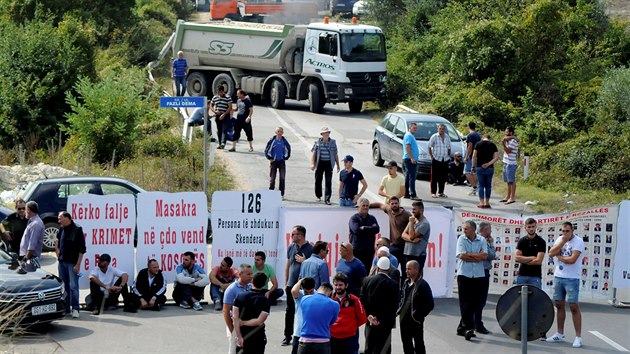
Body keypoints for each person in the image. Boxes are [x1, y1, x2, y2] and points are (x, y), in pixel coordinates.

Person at [546, 222, 585, 348]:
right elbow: (551, 253)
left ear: (572, 230)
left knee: (573, 306)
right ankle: (560, 333)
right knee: (559, 304)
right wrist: (562, 242)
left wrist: (560, 257)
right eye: (563, 231)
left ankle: (578, 337)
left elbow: (573, 260)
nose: (565, 233)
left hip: (572, 278)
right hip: (559, 276)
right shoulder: (560, 239)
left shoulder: (578, 241)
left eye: (567, 231)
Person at [455, 220, 488, 340]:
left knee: (475, 303)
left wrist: (471, 255)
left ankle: (461, 328)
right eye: (463, 228)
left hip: (478, 275)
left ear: (473, 230)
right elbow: (462, 256)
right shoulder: (461, 239)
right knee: (465, 302)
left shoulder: (482, 240)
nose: (464, 231)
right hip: (464, 275)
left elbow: (484, 256)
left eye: (466, 229)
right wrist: (476, 256)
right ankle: (468, 328)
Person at [360, 257, 400, 354]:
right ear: (389, 269)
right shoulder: (393, 285)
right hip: (385, 323)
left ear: (377, 268)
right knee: (384, 348)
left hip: (370, 321)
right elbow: (394, 305)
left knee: (369, 346)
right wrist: (381, 319)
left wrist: (369, 316)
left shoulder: (367, 280)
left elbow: (362, 300)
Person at [283, 225, 314, 346]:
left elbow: (312, 266)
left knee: (305, 310)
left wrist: (304, 261)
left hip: (304, 285)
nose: (291, 237)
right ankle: (287, 336)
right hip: (292, 284)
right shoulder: (291, 247)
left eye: (293, 234)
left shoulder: (310, 248)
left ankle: (304, 334)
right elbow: (288, 264)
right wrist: (286, 282)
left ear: (300, 235)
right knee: (289, 310)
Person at [398, 260, 434, 354]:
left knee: (419, 343)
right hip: (404, 319)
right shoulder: (406, 282)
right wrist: (399, 310)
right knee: (406, 342)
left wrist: (419, 314)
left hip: (416, 320)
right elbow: (401, 298)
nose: (406, 271)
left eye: (409, 269)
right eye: (406, 269)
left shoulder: (423, 285)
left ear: (416, 270)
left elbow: (430, 304)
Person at [55, 211, 86, 318]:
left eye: (60, 218)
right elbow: (57, 241)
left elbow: (82, 250)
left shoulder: (77, 229)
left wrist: (78, 265)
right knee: (64, 286)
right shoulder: (61, 228)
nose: (59, 221)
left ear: (67, 218)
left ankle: (75, 308)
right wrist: (57, 253)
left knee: (73, 286)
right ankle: (66, 308)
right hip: (62, 262)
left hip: (72, 263)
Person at [233, 272, 271, 354]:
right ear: (264, 284)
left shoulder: (240, 296)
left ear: (252, 281)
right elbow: (259, 321)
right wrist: (244, 323)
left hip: (243, 336)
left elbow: (235, 318)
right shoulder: (265, 301)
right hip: (258, 337)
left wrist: (239, 336)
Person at [370, 196, 410, 274]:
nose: (394, 205)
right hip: (394, 246)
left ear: (399, 203)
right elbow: (379, 204)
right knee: (391, 270)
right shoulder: (389, 210)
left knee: (405, 271)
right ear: (389, 204)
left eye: (396, 203)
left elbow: (415, 223)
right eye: (392, 204)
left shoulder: (406, 214)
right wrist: (367, 205)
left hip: (405, 246)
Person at [297, 283, 339, 354]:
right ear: (330, 293)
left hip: (305, 341)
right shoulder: (335, 304)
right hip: (323, 342)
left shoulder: (304, 299)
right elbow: (332, 322)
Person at [331, 272, 367, 354]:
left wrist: (350, 326)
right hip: (333, 338)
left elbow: (362, 318)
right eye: (336, 285)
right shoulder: (329, 300)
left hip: (350, 339)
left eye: (340, 285)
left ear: (346, 285)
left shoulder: (354, 300)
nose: (338, 287)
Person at [224, 264, 254, 354]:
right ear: (240, 274)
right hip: (235, 325)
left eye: (251, 274)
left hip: (248, 325)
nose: (251, 276)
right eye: (248, 274)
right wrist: (232, 329)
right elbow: (225, 311)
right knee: (234, 351)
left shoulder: (250, 287)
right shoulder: (231, 289)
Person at [474, 221, 496, 334]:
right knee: (479, 300)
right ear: (485, 230)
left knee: (478, 300)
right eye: (490, 229)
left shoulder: (480, 240)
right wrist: (491, 244)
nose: (491, 232)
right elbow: (491, 255)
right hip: (481, 272)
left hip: (482, 272)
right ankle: (477, 323)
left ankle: (474, 322)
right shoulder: (482, 241)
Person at [349, 198, 380, 272]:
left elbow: (376, 229)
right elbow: (356, 230)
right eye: (363, 205)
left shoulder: (372, 218)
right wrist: (370, 228)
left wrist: (364, 228)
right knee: (356, 272)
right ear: (358, 206)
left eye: (367, 206)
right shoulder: (354, 218)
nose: (366, 207)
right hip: (357, 251)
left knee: (367, 272)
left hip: (369, 251)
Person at [311, 126, 340, 205]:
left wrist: (338, 165)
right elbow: (314, 153)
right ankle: (318, 195)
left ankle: (327, 199)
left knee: (328, 181)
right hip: (320, 163)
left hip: (328, 163)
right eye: (325, 133)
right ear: (322, 134)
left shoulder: (333, 142)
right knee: (318, 180)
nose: (327, 134)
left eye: (328, 133)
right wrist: (313, 164)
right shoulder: (317, 142)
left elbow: (335, 154)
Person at [515, 218, 546, 288]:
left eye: (533, 226)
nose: (531, 229)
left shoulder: (541, 242)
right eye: (529, 227)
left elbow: (538, 261)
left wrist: (523, 260)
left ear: (536, 227)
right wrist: (532, 258)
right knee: (520, 298)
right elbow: (517, 258)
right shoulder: (521, 241)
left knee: (535, 298)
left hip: (535, 276)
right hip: (522, 275)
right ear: (525, 228)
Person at [402, 201, 430, 275]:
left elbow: (412, 236)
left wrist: (411, 223)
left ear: (421, 210)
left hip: (418, 255)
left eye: (415, 209)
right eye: (412, 209)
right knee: (407, 276)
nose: (412, 211)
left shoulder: (424, 224)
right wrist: (411, 241)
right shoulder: (413, 220)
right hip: (408, 253)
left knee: (417, 276)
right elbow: (403, 235)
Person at [471, 134, 499, 209]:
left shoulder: (478, 144)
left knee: (481, 185)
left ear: (482, 138)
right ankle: (487, 202)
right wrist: (489, 163)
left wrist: (473, 166)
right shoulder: (493, 145)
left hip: (480, 167)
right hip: (490, 168)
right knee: (488, 186)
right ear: (489, 138)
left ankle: (481, 202)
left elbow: (474, 156)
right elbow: (496, 157)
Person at [290, 277, 316, 354]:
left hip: (313, 333)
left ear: (313, 288)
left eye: (310, 292)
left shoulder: (317, 295)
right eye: (306, 292)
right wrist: (301, 281)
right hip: (299, 332)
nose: (308, 294)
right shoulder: (300, 295)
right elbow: (294, 290)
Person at [264, 126, 291, 198]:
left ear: (283, 133)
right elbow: (267, 150)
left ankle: (281, 194)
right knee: (272, 179)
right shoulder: (272, 140)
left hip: (281, 162)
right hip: (274, 162)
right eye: (278, 131)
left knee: (282, 178)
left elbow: (288, 150)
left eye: (281, 132)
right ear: (276, 132)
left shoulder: (284, 141)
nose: (280, 133)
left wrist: (285, 157)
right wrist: (270, 158)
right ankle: (271, 194)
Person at [428, 123, 451, 198]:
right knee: (434, 177)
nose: (441, 130)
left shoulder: (447, 137)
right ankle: (433, 192)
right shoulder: (434, 136)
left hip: (445, 159)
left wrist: (448, 155)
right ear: (438, 129)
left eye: (443, 129)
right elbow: (429, 146)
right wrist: (431, 156)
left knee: (443, 177)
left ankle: (441, 192)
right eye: (440, 129)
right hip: (436, 159)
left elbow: (449, 147)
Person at [19, 201, 44, 266]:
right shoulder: (32, 222)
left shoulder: (36, 223)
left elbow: (32, 244)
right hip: (28, 256)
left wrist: (26, 258)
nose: (24, 211)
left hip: (30, 257)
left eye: (25, 209)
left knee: (31, 275)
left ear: (29, 210)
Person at [500, 126, 519, 204]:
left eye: (507, 132)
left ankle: (512, 197)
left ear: (511, 133)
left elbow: (508, 151)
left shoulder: (513, 141)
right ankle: (507, 196)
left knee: (512, 181)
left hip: (511, 163)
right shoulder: (509, 139)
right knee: (508, 181)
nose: (505, 134)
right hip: (506, 162)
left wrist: (503, 144)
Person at [402, 122, 421, 200]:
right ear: (410, 128)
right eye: (414, 128)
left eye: (416, 128)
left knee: (408, 177)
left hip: (409, 159)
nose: (415, 129)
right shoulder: (409, 136)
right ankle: (413, 194)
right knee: (412, 177)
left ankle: (406, 193)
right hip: (409, 159)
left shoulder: (410, 135)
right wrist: (412, 158)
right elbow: (407, 147)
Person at [463, 122, 481, 195]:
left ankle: (475, 187)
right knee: (474, 172)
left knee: (466, 172)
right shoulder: (477, 135)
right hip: (477, 156)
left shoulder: (470, 135)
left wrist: (466, 157)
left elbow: (470, 146)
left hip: (471, 156)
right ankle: (476, 187)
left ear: (468, 127)